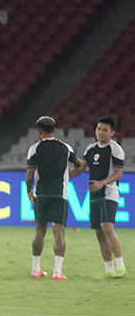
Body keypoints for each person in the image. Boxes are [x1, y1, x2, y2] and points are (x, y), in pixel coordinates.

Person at [25, 115, 82, 280]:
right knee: (59, 233)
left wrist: (29, 191)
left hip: (41, 194)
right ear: (55, 130)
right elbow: (79, 165)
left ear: (39, 132)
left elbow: (29, 175)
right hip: (59, 194)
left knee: (40, 230)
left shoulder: (34, 148)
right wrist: (68, 176)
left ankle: (36, 269)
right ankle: (57, 271)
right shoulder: (65, 148)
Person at [71, 116, 126, 277]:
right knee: (98, 232)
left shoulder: (115, 149)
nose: (100, 132)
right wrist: (65, 176)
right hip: (94, 193)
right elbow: (81, 168)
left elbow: (119, 173)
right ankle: (109, 269)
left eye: (104, 130)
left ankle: (120, 265)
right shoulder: (91, 148)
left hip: (109, 192)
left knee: (107, 227)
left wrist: (103, 182)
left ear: (112, 132)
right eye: (98, 129)